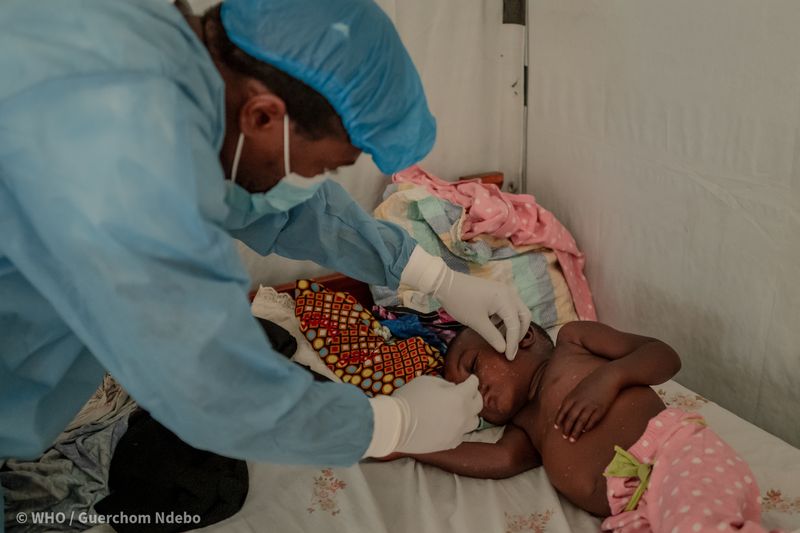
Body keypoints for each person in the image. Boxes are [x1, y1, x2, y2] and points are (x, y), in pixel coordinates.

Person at [0, 0, 533, 517]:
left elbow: (288, 209)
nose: (312, 185)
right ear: (261, 114)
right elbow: (213, 388)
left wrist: (434, 274)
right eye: (320, 168)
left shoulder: (162, 49)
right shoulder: (133, 173)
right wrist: (390, 424)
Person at [389, 321, 781, 533]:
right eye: (467, 395)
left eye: (473, 367)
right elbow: (499, 459)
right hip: (633, 512)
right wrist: (407, 444)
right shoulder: (525, 427)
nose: (476, 390)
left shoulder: (573, 343)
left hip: (676, 460)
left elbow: (664, 355)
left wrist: (610, 378)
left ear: (517, 334)